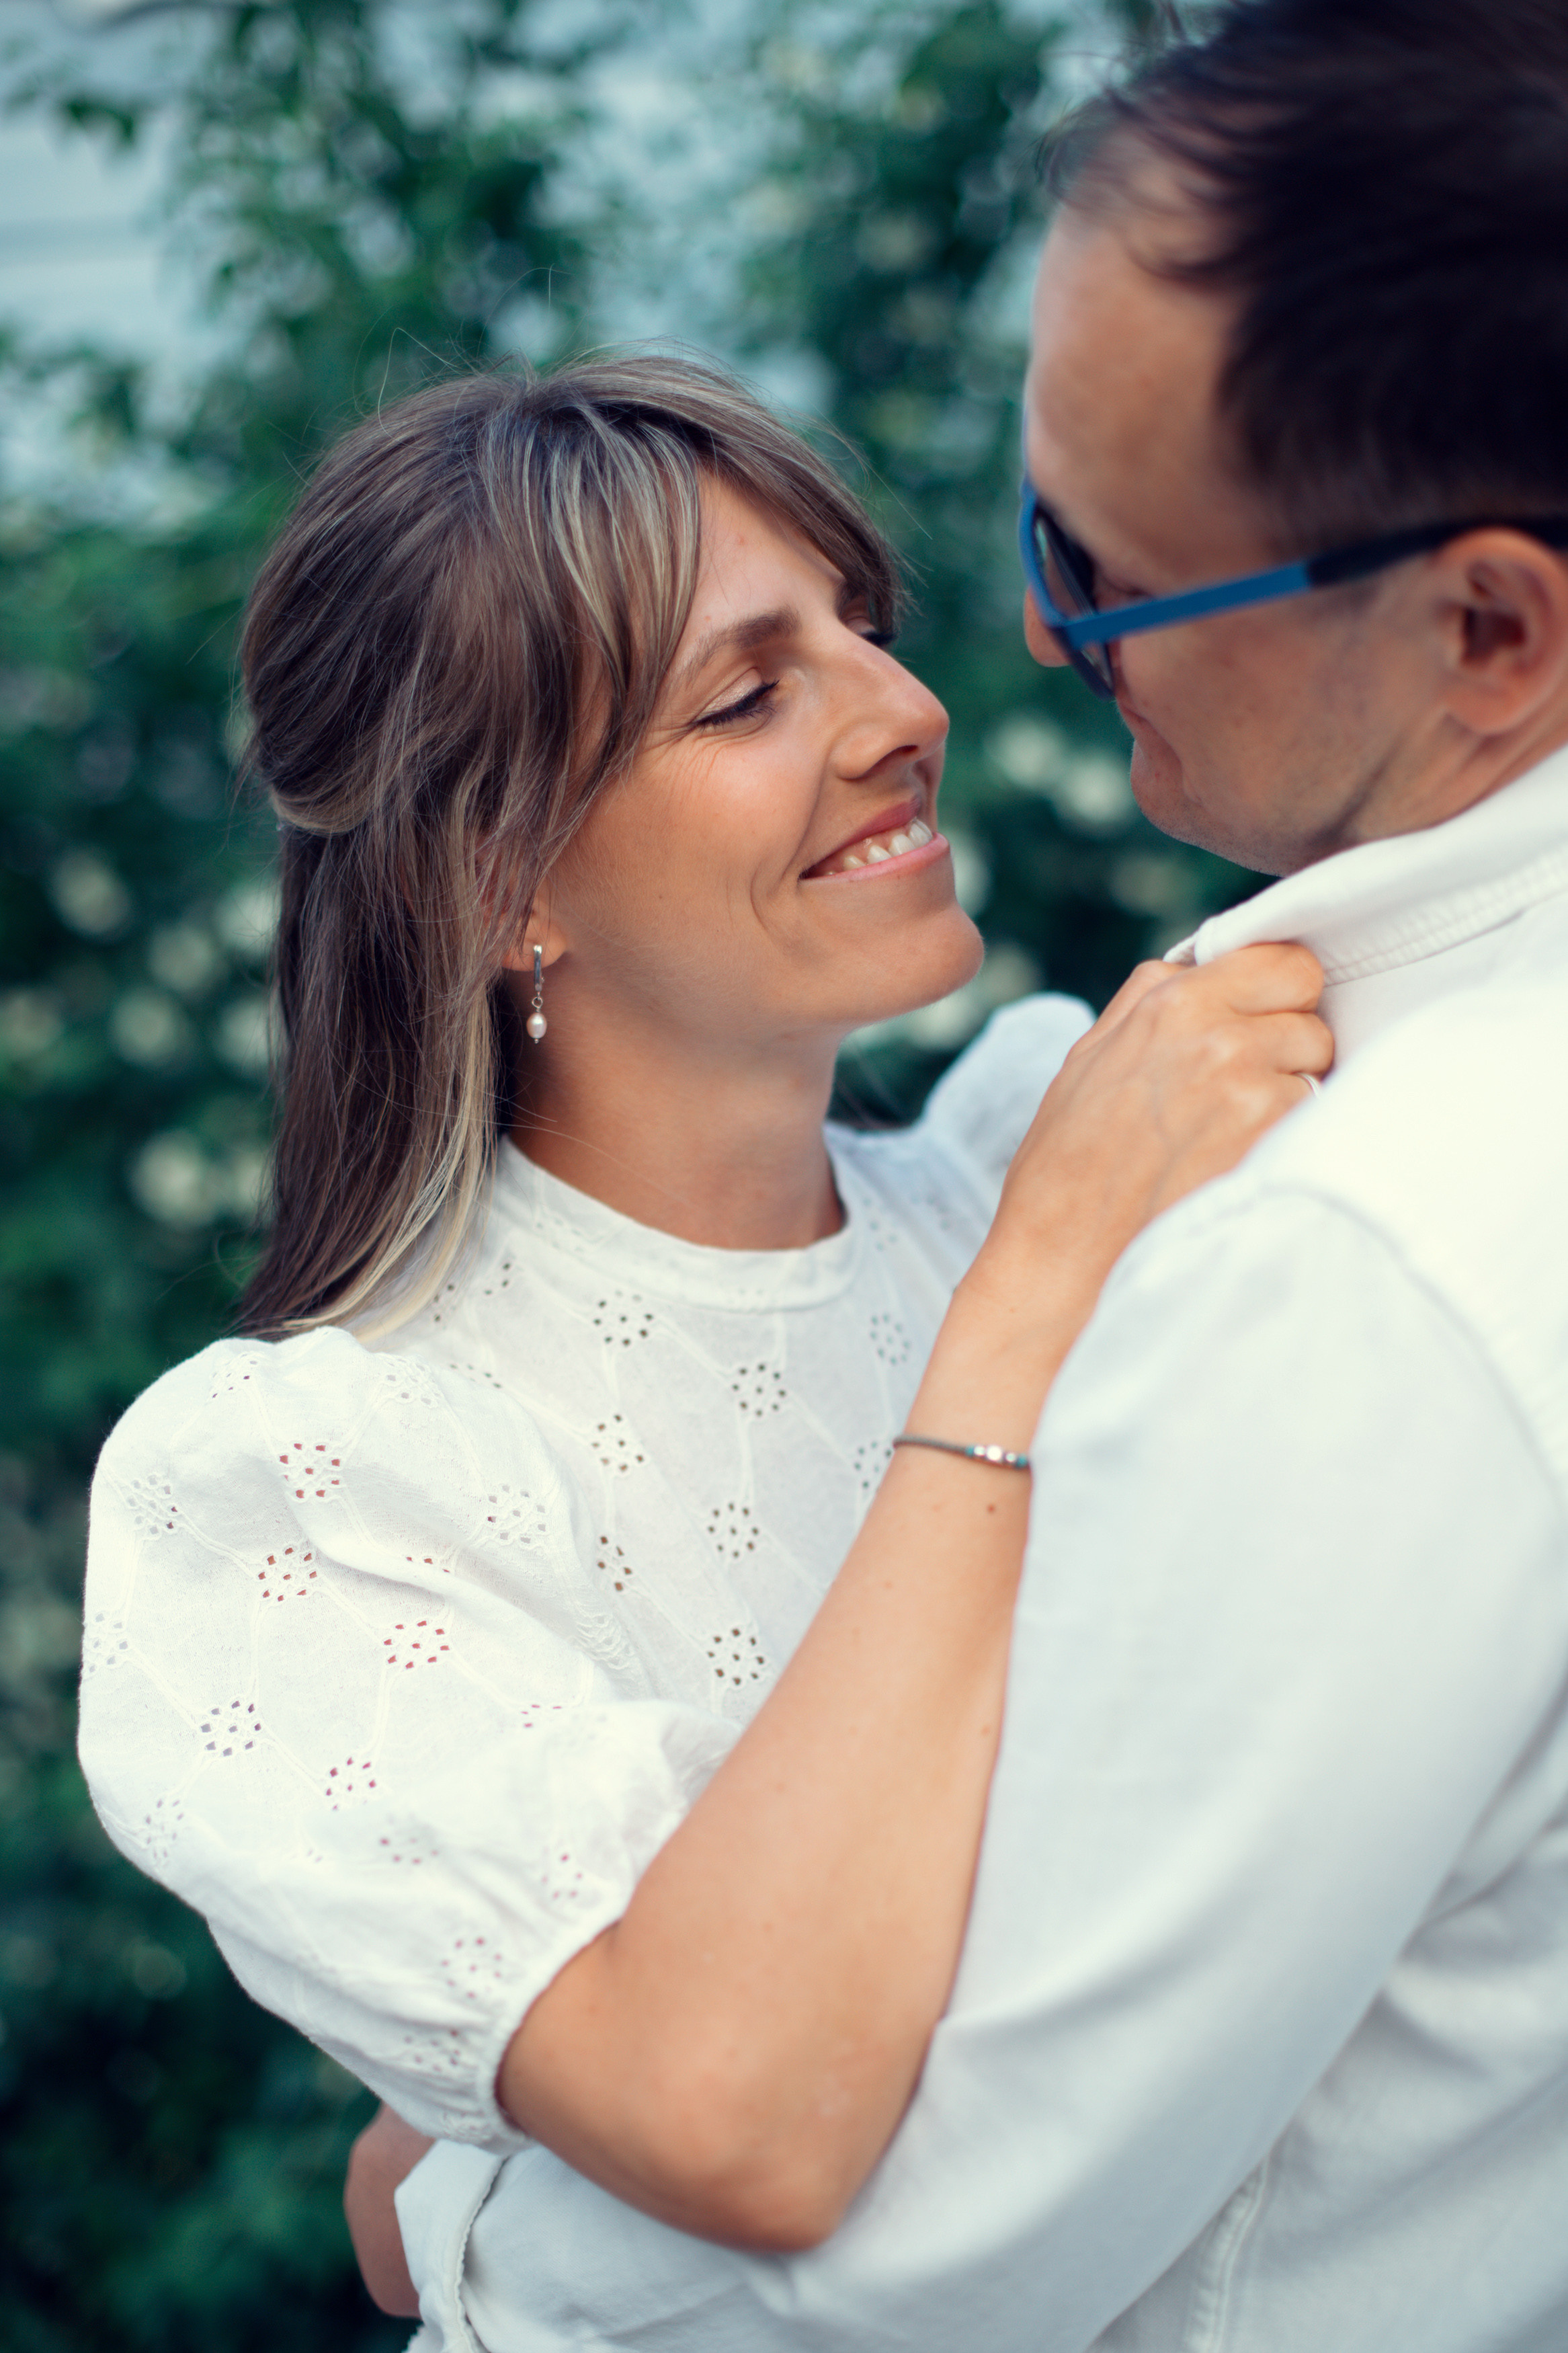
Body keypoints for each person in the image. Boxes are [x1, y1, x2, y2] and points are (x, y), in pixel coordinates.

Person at [374, 3, 1568, 2349]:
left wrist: (442, 2229)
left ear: (1489, 627)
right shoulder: (351, 1474)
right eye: (1023, 524)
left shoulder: (1344, 1260)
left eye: (1102, 568)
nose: (1002, 655)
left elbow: (925, 2232)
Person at [75, 356, 1324, 2323]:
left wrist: (477, 2183)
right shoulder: (307, 1482)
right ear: (505, 882)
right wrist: (1024, 1305)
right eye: (747, 694)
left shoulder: (1036, 1155)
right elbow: (742, 2117)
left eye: (863, 629)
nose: (905, 714)